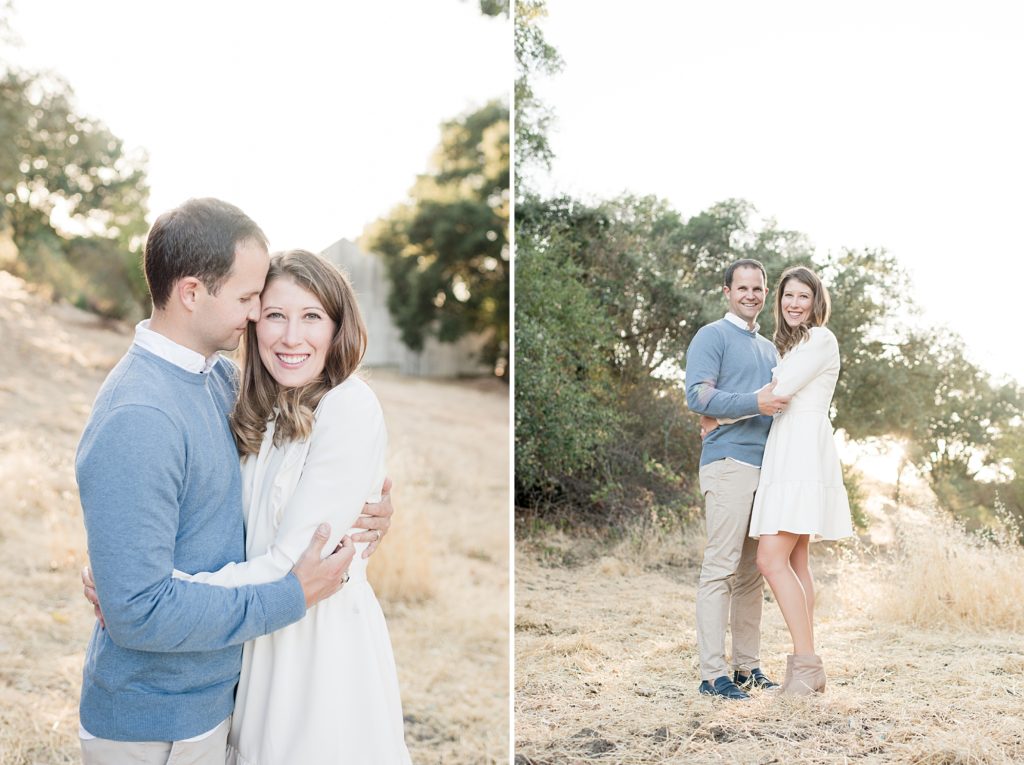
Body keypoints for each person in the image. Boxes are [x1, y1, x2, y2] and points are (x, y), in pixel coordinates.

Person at [76, 198, 393, 764]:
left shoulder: (224, 385)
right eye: (258, 304)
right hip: (154, 716)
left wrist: (367, 514)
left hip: (229, 687)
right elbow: (139, 602)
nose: (259, 321)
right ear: (193, 293)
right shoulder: (142, 412)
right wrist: (133, 589)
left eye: (310, 316)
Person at [173, 249, 412, 763]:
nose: (291, 336)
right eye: (276, 315)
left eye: (312, 317)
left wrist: (164, 594)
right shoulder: (254, 407)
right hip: (254, 630)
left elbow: (293, 564)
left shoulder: (347, 405)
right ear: (254, 321)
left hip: (318, 643)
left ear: (337, 327)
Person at [706, 266, 853, 695]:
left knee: (770, 561)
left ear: (816, 301)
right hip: (787, 448)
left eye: (803, 296)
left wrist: (718, 409)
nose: (794, 303)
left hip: (801, 452)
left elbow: (779, 390)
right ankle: (804, 668)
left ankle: (806, 664)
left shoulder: (820, 339)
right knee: (797, 562)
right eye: (788, 296)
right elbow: (773, 389)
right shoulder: (796, 345)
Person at [684, 258, 792, 700]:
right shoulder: (712, 336)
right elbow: (698, 395)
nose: (751, 295)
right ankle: (713, 675)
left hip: (766, 473)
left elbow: (778, 407)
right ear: (726, 290)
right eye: (742, 288)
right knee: (720, 569)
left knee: (752, 575)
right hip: (728, 465)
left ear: (766, 294)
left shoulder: (770, 349)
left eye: (758, 289)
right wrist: (751, 403)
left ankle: (747, 668)